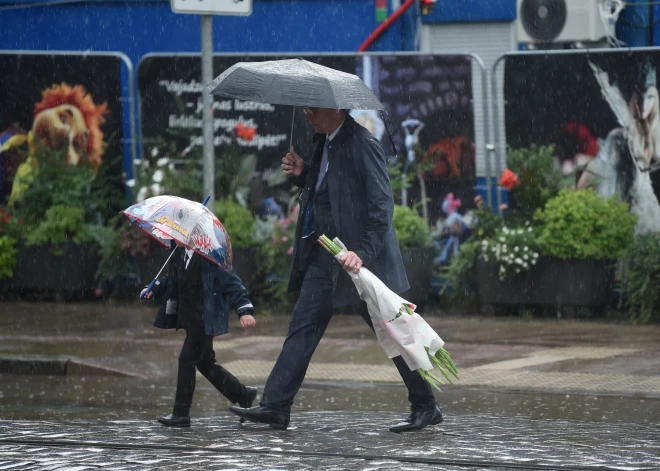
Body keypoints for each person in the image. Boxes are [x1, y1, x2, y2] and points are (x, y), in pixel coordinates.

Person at [230, 107, 442, 433]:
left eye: (314, 108)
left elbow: (382, 204)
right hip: (327, 257)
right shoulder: (324, 141)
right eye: (304, 108)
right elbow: (330, 190)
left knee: (393, 332)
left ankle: (426, 405)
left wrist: (363, 253)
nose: (306, 113)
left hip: (358, 263)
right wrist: (304, 173)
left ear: (336, 109)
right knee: (302, 327)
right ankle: (276, 406)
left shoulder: (363, 143)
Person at [141, 240, 258, 427]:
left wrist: (244, 310)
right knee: (205, 364)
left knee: (186, 360)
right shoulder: (178, 253)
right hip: (190, 320)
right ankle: (243, 395)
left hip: (205, 321)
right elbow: (172, 279)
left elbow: (231, 281)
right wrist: (153, 289)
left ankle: (181, 414)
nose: (174, 237)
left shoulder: (207, 257)